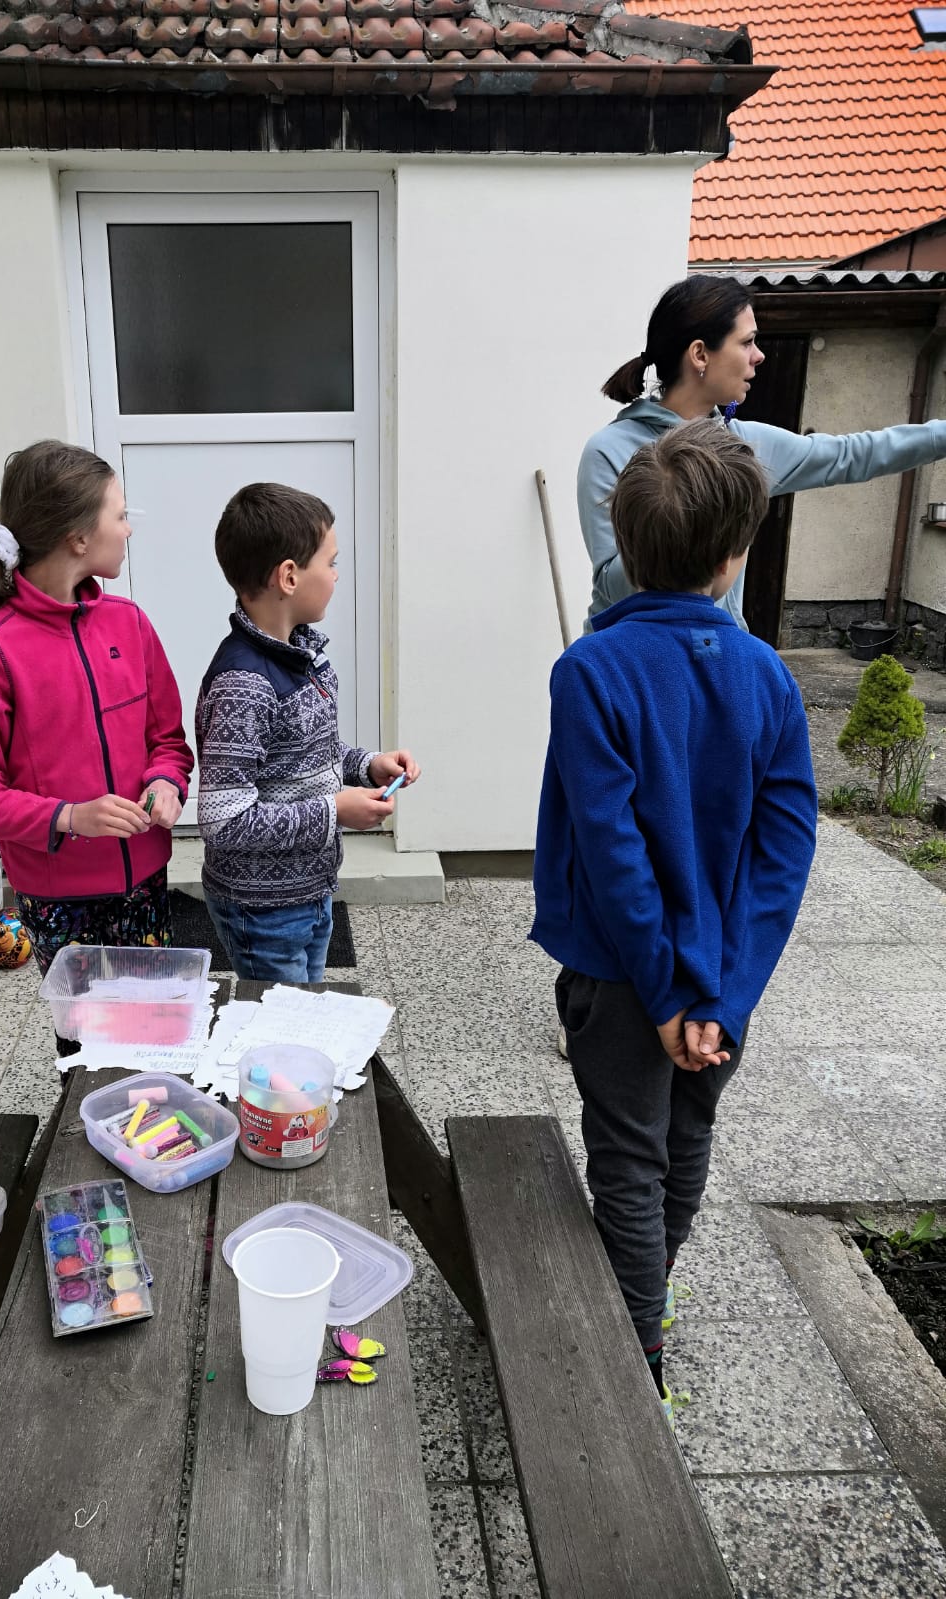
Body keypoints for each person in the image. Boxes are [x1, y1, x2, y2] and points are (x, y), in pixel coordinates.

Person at [532, 420, 818, 1426]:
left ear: (622, 544)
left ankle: (635, 1352)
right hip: (718, 977)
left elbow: (613, 857)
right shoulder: (768, 675)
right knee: (687, 1133)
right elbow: (784, 855)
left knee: (628, 1156)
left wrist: (663, 997)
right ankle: (646, 1299)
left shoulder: (590, 670)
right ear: (734, 555)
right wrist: (723, 998)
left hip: (624, 980)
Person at [0, 440, 193, 1020]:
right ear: (78, 538)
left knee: (155, 1028)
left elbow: (168, 742)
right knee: (87, 1042)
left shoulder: (131, 624)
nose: (128, 529)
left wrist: (166, 783)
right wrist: (70, 817)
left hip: (146, 880)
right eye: (120, 515)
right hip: (59, 899)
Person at [578, 273, 946, 630]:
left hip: (717, 656)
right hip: (623, 661)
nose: (759, 356)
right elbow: (612, 585)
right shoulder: (609, 451)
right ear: (700, 354)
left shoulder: (746, 448)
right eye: (747, 342)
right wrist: (692, 527)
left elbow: (849, 455)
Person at [195, 481, 419, 982]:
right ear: (289, 576)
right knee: (281, 1023)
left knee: (304, 1012)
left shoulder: (300, 655)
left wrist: (368, 765)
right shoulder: (243, 685)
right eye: (331, 563)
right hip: (264, 910)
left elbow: (304, 752)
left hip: (309, 891)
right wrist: (334, 810)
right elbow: (224, 822)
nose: (337, 575)